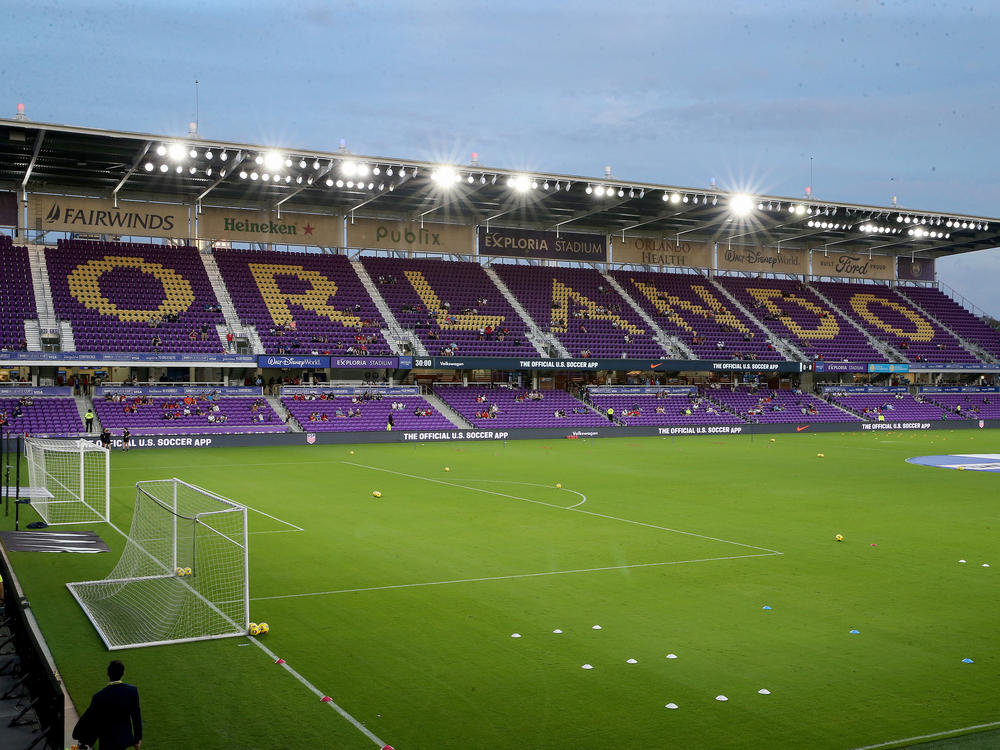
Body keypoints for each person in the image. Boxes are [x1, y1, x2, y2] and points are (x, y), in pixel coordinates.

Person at [72, 660, 142, 750]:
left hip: (107, 741)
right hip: (124, 739)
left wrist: (80, 736)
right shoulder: (132, 691)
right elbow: (136, 717)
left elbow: (89, 719)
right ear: (123, 673)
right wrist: (137, 738)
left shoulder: (99, 696)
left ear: (107, 673)